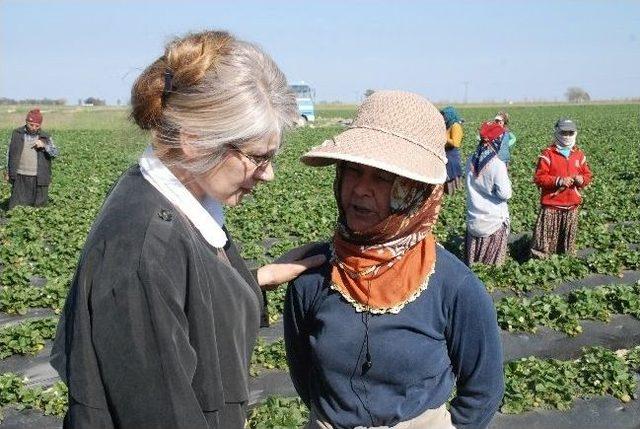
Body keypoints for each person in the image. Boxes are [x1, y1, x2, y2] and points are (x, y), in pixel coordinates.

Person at [51, 30, 324, 429]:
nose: (269, 176)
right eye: (258, 158)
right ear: (195, 142)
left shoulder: (181, 201)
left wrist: (253, 279)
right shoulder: (144, 251)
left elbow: (181, 308)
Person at [284, 91, 504, 429]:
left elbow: (484, 390)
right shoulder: (311, 276)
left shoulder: (453, 285)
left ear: (416, 191)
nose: (360, 189)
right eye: (353, 171)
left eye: (383, 178)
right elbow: (304, 373)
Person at [531, 118, 593, 258]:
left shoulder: (579, 155)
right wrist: (558, 181)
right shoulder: (547, 154)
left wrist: (582, 179)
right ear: (557, 133)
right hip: (552, 205)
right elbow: (539, 178)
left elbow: (588, 175)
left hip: (571, 205)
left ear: (575, 133)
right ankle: (541, 261)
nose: (567, 136)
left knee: (566, 241)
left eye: (570, 133)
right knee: (545, 240)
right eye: (563, 132)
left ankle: (565, 259)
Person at [465, 121, 513, 266]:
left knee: (474, 266)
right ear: (497, 141)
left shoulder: (471, 160)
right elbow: (505, 194)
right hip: (493, 221)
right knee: (489, 269)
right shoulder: (497, 164)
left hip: (474, 217)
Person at [5, 108, 58, 209]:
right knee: (16, 206)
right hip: (20, 174)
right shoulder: (16, 134)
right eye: (31, 124)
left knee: (37, 207)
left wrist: (44, 146)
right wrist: (7, 171)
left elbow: (55, 153)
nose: (34, 128)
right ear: (26, 122)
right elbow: (9, 153)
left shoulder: (45, 137)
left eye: (37, 126)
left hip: (38, 176)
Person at [440, 106, 464, 195]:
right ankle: (448, 194)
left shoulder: (455, 126)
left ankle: (454, 195)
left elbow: (456, 143)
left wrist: (444, 138)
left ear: (450, 115)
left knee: (452, 176)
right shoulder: (448, 125)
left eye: (445, 116)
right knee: (446, 177)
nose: (444, 118)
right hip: (446, 154)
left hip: (452, 156)